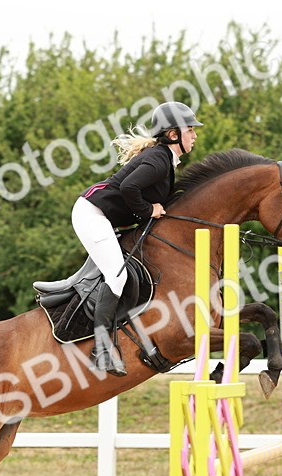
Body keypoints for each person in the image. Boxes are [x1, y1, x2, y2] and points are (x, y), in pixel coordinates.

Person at [75, 101, 202, 376]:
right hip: (91, 214)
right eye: (189, 130)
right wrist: (148, 210)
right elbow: (130, 187)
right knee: (116, 276)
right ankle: (100, 350)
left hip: (102, 215)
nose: (194, 135)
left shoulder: (164, 160)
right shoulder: (158, 160)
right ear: (172, 134)